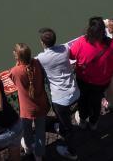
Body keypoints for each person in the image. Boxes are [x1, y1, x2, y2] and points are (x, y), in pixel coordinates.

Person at [69, 16, 113, 130]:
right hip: (102, 82)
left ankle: (83, 121)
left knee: (83, 100)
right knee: (96, 101)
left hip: (83, 80)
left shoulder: (81, 41)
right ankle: (94, 123)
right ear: (104, 30)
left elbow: (71, 55)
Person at [35, 29, 79, 160]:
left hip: (60, 98)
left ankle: (72, 152)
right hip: (75, 91)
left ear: (42, 43)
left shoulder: (41, 58)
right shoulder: (65, 48)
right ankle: (63, 125)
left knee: (68, 127)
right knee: (63, 116)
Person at [9, 43, 49, 161]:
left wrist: (17, 64)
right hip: (41, 105)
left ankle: (29, 148)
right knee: (40, 132)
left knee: (26, 130)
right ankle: (39, 155)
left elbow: (12, 78)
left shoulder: (15, 71)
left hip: (26, 109)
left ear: (17, 58)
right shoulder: (37, 63)